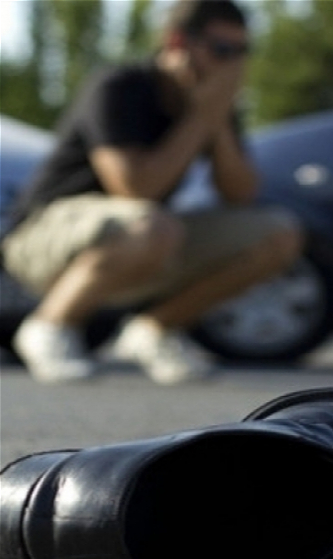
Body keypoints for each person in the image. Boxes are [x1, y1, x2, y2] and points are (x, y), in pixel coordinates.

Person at [1, 0, 303, 385]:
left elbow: (240, 194)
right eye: (222, 50)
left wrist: (218, 122)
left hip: (143, 235)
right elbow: (134, 188)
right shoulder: (120, 86)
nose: (232, 64)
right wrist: (201, 118)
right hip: (42, 235)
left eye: (242, 52)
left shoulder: (213, 104)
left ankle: (154, 330)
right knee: (153, 225)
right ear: (178, 42)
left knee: (278, 234)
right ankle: (49, 325)